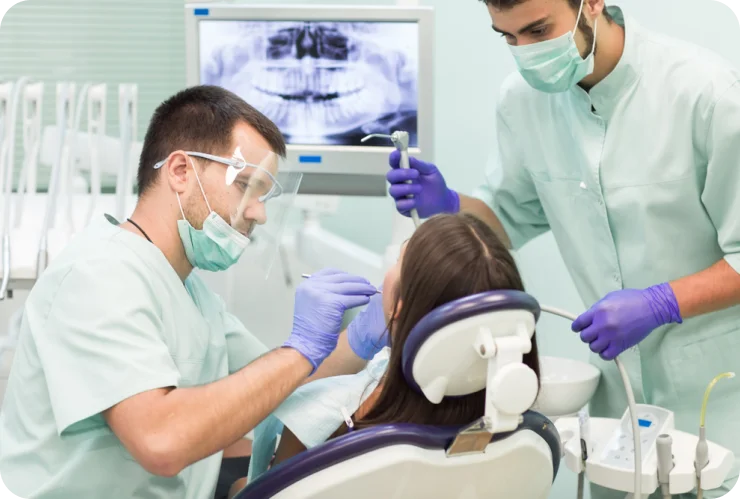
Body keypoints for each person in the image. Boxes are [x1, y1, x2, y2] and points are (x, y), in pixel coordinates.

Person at [384, 1, 740, 497]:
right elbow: (506, 221)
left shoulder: (707, 95)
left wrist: (662, 302)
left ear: (592, 4)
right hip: (619, 408)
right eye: (507, 38)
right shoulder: (522, 102)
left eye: (538, 30)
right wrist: (449, 205)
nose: (526, 53)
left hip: (719, 403)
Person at [0, 85, 387, 499]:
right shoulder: (99, 276)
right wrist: (300, 349)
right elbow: (160, 441)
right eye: (246, 188)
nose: (259, 212)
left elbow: (277, 384)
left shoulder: (189, 291)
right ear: (180, 172)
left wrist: (367, 332)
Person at [223, 213, 540, 496]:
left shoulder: (331, 415)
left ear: (398, 305)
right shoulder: (517, 432)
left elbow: (272, 487)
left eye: (398, 261)